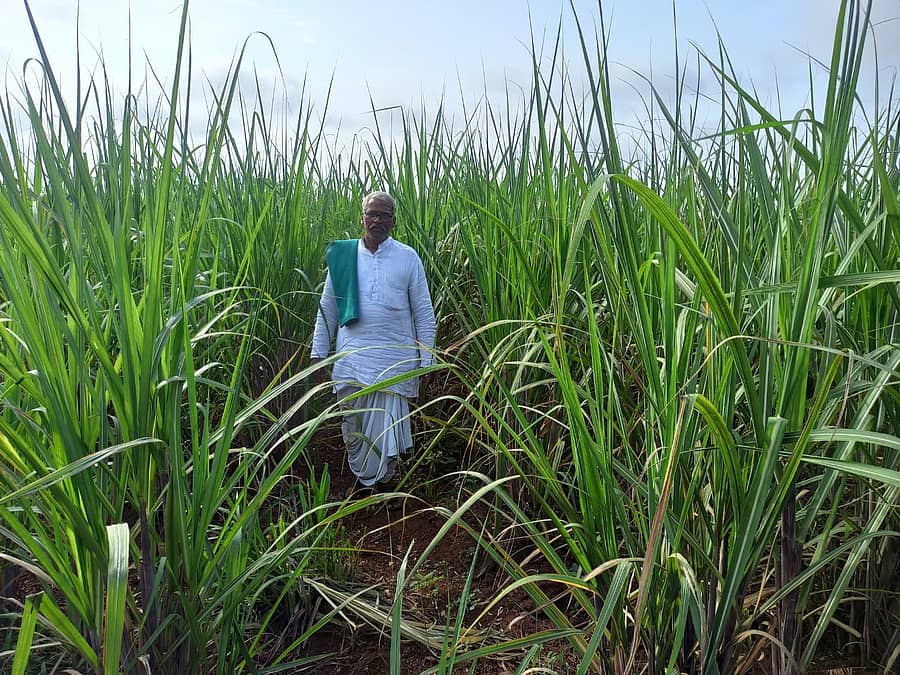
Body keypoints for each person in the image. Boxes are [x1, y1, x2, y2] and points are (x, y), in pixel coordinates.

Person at [310, 191, 436, 495]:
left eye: (384, 215)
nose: (377, 220)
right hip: (351, 361)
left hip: (394, 363)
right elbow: (328, 308)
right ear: (361, 218)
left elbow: (424, 312)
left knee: (386, 428)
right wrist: (317, 354)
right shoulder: (343, 258)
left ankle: (382, 484)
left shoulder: (408, 257)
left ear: (393, 221)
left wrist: (428, 360)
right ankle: (363, 478)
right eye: (372, 214)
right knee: (352, 426)